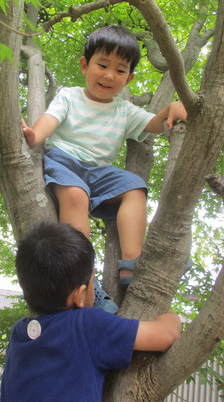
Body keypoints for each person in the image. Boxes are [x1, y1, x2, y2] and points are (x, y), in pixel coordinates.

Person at [22, 25, 187, 311]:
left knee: (135, 187)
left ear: (129, 78)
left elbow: (153, 124)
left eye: (120, 70)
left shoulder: (123, 109)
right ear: (85, 65)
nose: (110, 75)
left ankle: (131, 265)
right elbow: (51, 118)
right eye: (102, 65)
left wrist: (172, 108)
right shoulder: (70, 95)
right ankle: (84, 280)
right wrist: (35, 136)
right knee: (75, 196)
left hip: (99, 173)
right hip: (65, 161)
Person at [0, 222, 181, 402]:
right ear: (79, 296)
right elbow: (165, 335)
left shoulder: (20, 333)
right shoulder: (86, 325)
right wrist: (170, 316)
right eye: (92, 284)